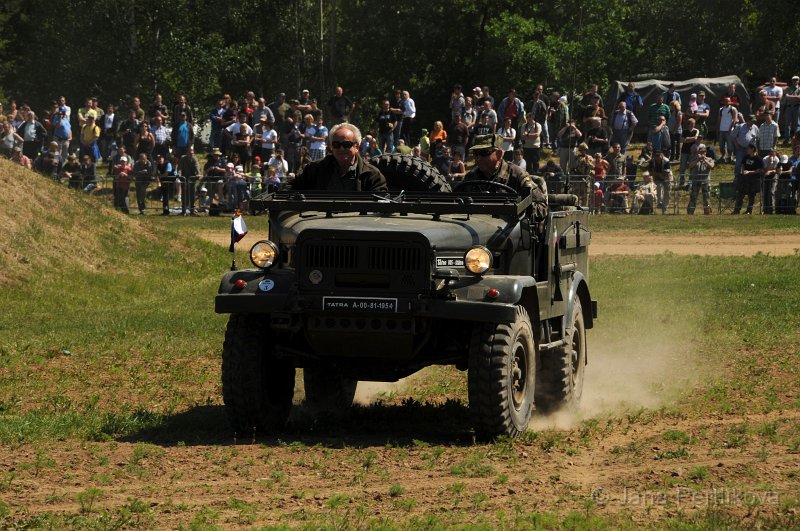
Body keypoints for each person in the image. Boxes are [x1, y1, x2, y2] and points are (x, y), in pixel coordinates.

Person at [462, 134, 547, 219]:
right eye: (475, 154)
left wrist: (518, 208)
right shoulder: (470, 178)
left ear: (499, 154)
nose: (478, 158)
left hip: (509, 229)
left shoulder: (517, 176)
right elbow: (456, 201)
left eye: (484, 153)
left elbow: (542, 208)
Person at [292, 123, 387, 191]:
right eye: (336, 144)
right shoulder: (314, 170)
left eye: (346, 144)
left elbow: (380, 208)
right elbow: (292, 191)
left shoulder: (372, 175)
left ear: (357, 147)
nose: (341, 149)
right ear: (331, 147)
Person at [733, 144, 763, 215]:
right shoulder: (746, 157)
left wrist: (750, 172)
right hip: (744, 179)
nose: (747, 150)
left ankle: (749, 211)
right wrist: (743, 171)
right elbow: (743, 164)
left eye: (748, 149)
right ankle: (736, 210)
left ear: (753, 149)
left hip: (753, 180)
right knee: (740, 194)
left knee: (751, 196)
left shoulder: (758, 159)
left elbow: (760, 170)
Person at [686, 144, 715, 215]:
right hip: (695, 181)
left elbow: (712, 166)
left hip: (705, 181)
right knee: (693, 196)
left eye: (704, 152)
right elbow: (690, 166)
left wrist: (705, 160)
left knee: (706, 197)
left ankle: (707, 212)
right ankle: (690, 212)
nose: (702, 153)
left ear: (706, 152)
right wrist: (698, 160)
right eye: (701, 152)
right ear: (698, 152)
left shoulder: (710, 159)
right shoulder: (693, 158)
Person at [177, 146, 201, 215]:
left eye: (192, 153)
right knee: (184, 194)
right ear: (187, 153)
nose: (191, 154)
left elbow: (197, 168)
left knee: (192, 195)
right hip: (184, 178)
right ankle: (184, 210)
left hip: (192, 179)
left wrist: (198, 174)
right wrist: (179, 173)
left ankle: (192, 210)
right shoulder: (182, 158)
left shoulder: (195, 159)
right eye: (189, 153)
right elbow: (179, 168)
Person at [717, 97, 738, 163]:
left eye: (728, 101)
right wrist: (718, 128)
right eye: (725, 101)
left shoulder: (733, 109)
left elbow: (734, 119)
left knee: (730, 145)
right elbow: (719, 119)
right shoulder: (721, 109)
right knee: (721, 145)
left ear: (730, 102)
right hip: (722, 129)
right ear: (723, 102)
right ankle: (723, 157)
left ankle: (730, 157)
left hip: (729, 130)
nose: (727, 102)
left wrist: (731, 128)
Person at [761, 147, 780, 214]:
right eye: (771, 152)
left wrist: (770, 171)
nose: (772, 154)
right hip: (765, 176)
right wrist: (769, 161)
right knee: (765, 192)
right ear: (769, 153)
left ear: (775, 153)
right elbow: (765, 169)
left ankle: (771, 209)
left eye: (773, 152)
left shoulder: (777, 160)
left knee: (771, 192)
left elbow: (776, 170)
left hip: (773, 176)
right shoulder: (765, 159)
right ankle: (765, 209)